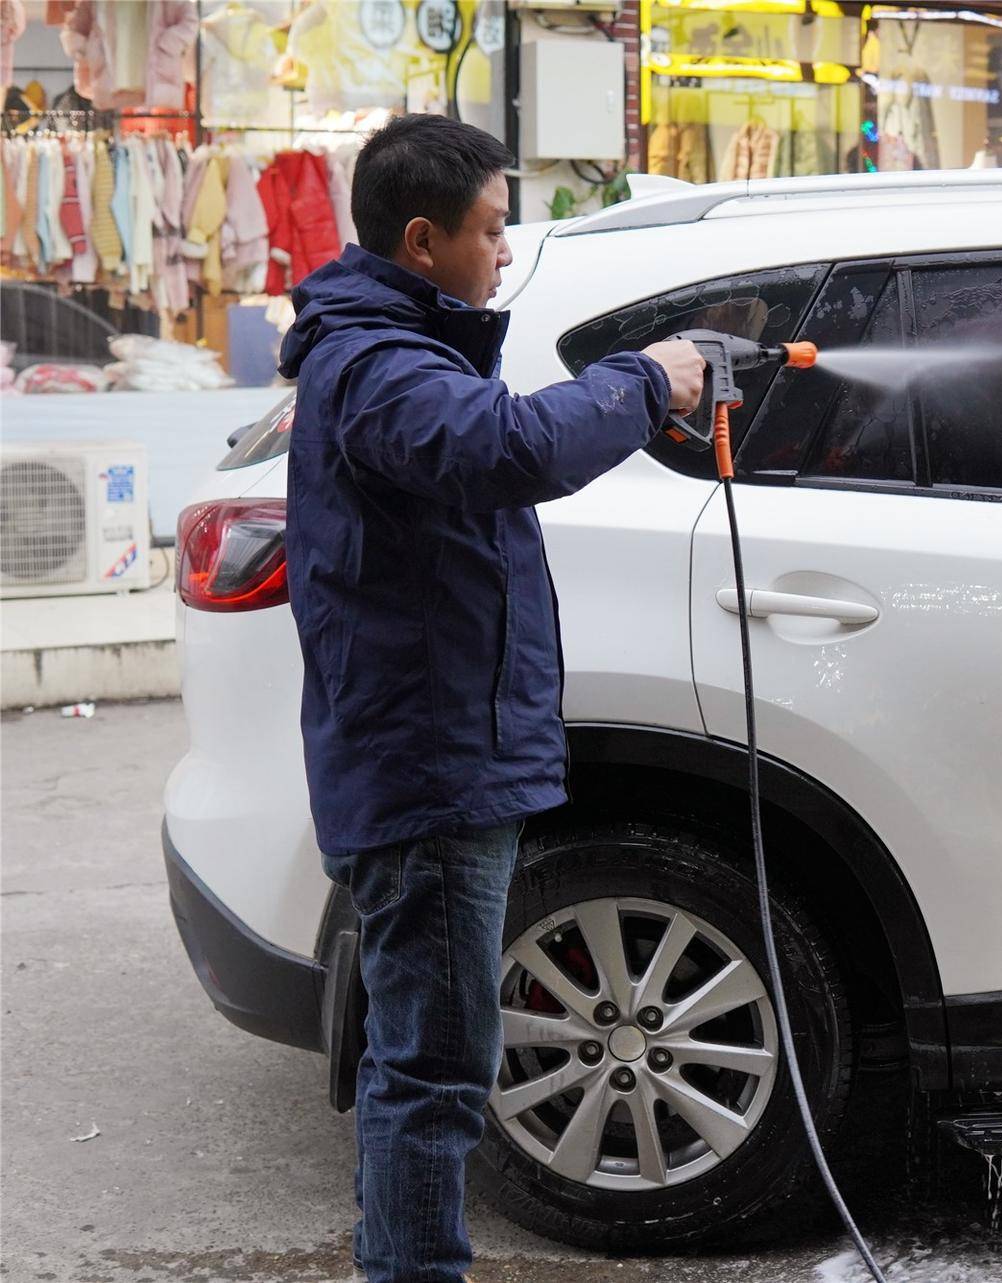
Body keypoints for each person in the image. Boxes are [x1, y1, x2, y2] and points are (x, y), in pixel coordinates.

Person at [276, 113, 705, 1283]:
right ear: (423, 241)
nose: (504, 250)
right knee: (434, 1069)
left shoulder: (393, 349)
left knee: (416, 1057)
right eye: (489, 227)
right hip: (429, 775)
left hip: (441, 755)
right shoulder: (381, 370)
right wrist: (647, 379)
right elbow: (508, 450)